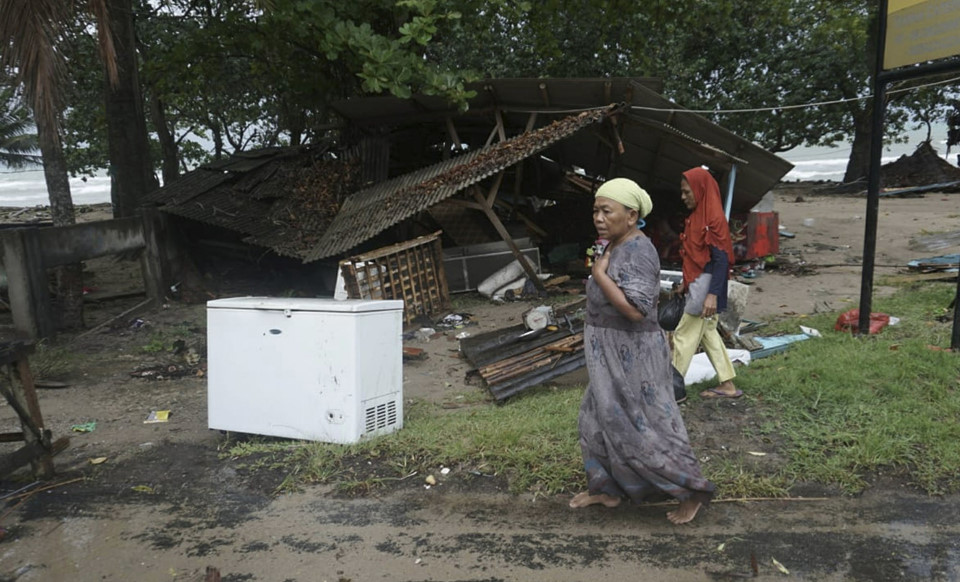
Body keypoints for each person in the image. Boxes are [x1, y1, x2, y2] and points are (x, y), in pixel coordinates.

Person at [570, 177, 715, 525]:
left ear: (632, 215)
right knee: (594, 421)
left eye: (607, 211)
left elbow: (636, 310)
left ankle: (691, 491)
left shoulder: (638, 251)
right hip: (608, 353)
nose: (599, 218)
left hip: (632, 355)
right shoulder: (614, 245)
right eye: (596, 210)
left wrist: (599, 275)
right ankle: (606, 488)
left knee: (645, 425)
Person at [672, 167, 742, 399]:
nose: (683, 197)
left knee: (684, 334)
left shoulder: (713, 219)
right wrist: (685, 283)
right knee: (708, 334)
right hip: (698, 283)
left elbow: (721, 261)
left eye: (686, 192)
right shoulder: (697, 217)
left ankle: (671, 388)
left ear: (700, 190)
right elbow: (694, 257)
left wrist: (712, 295)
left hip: (706, 287)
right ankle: (728, 385)